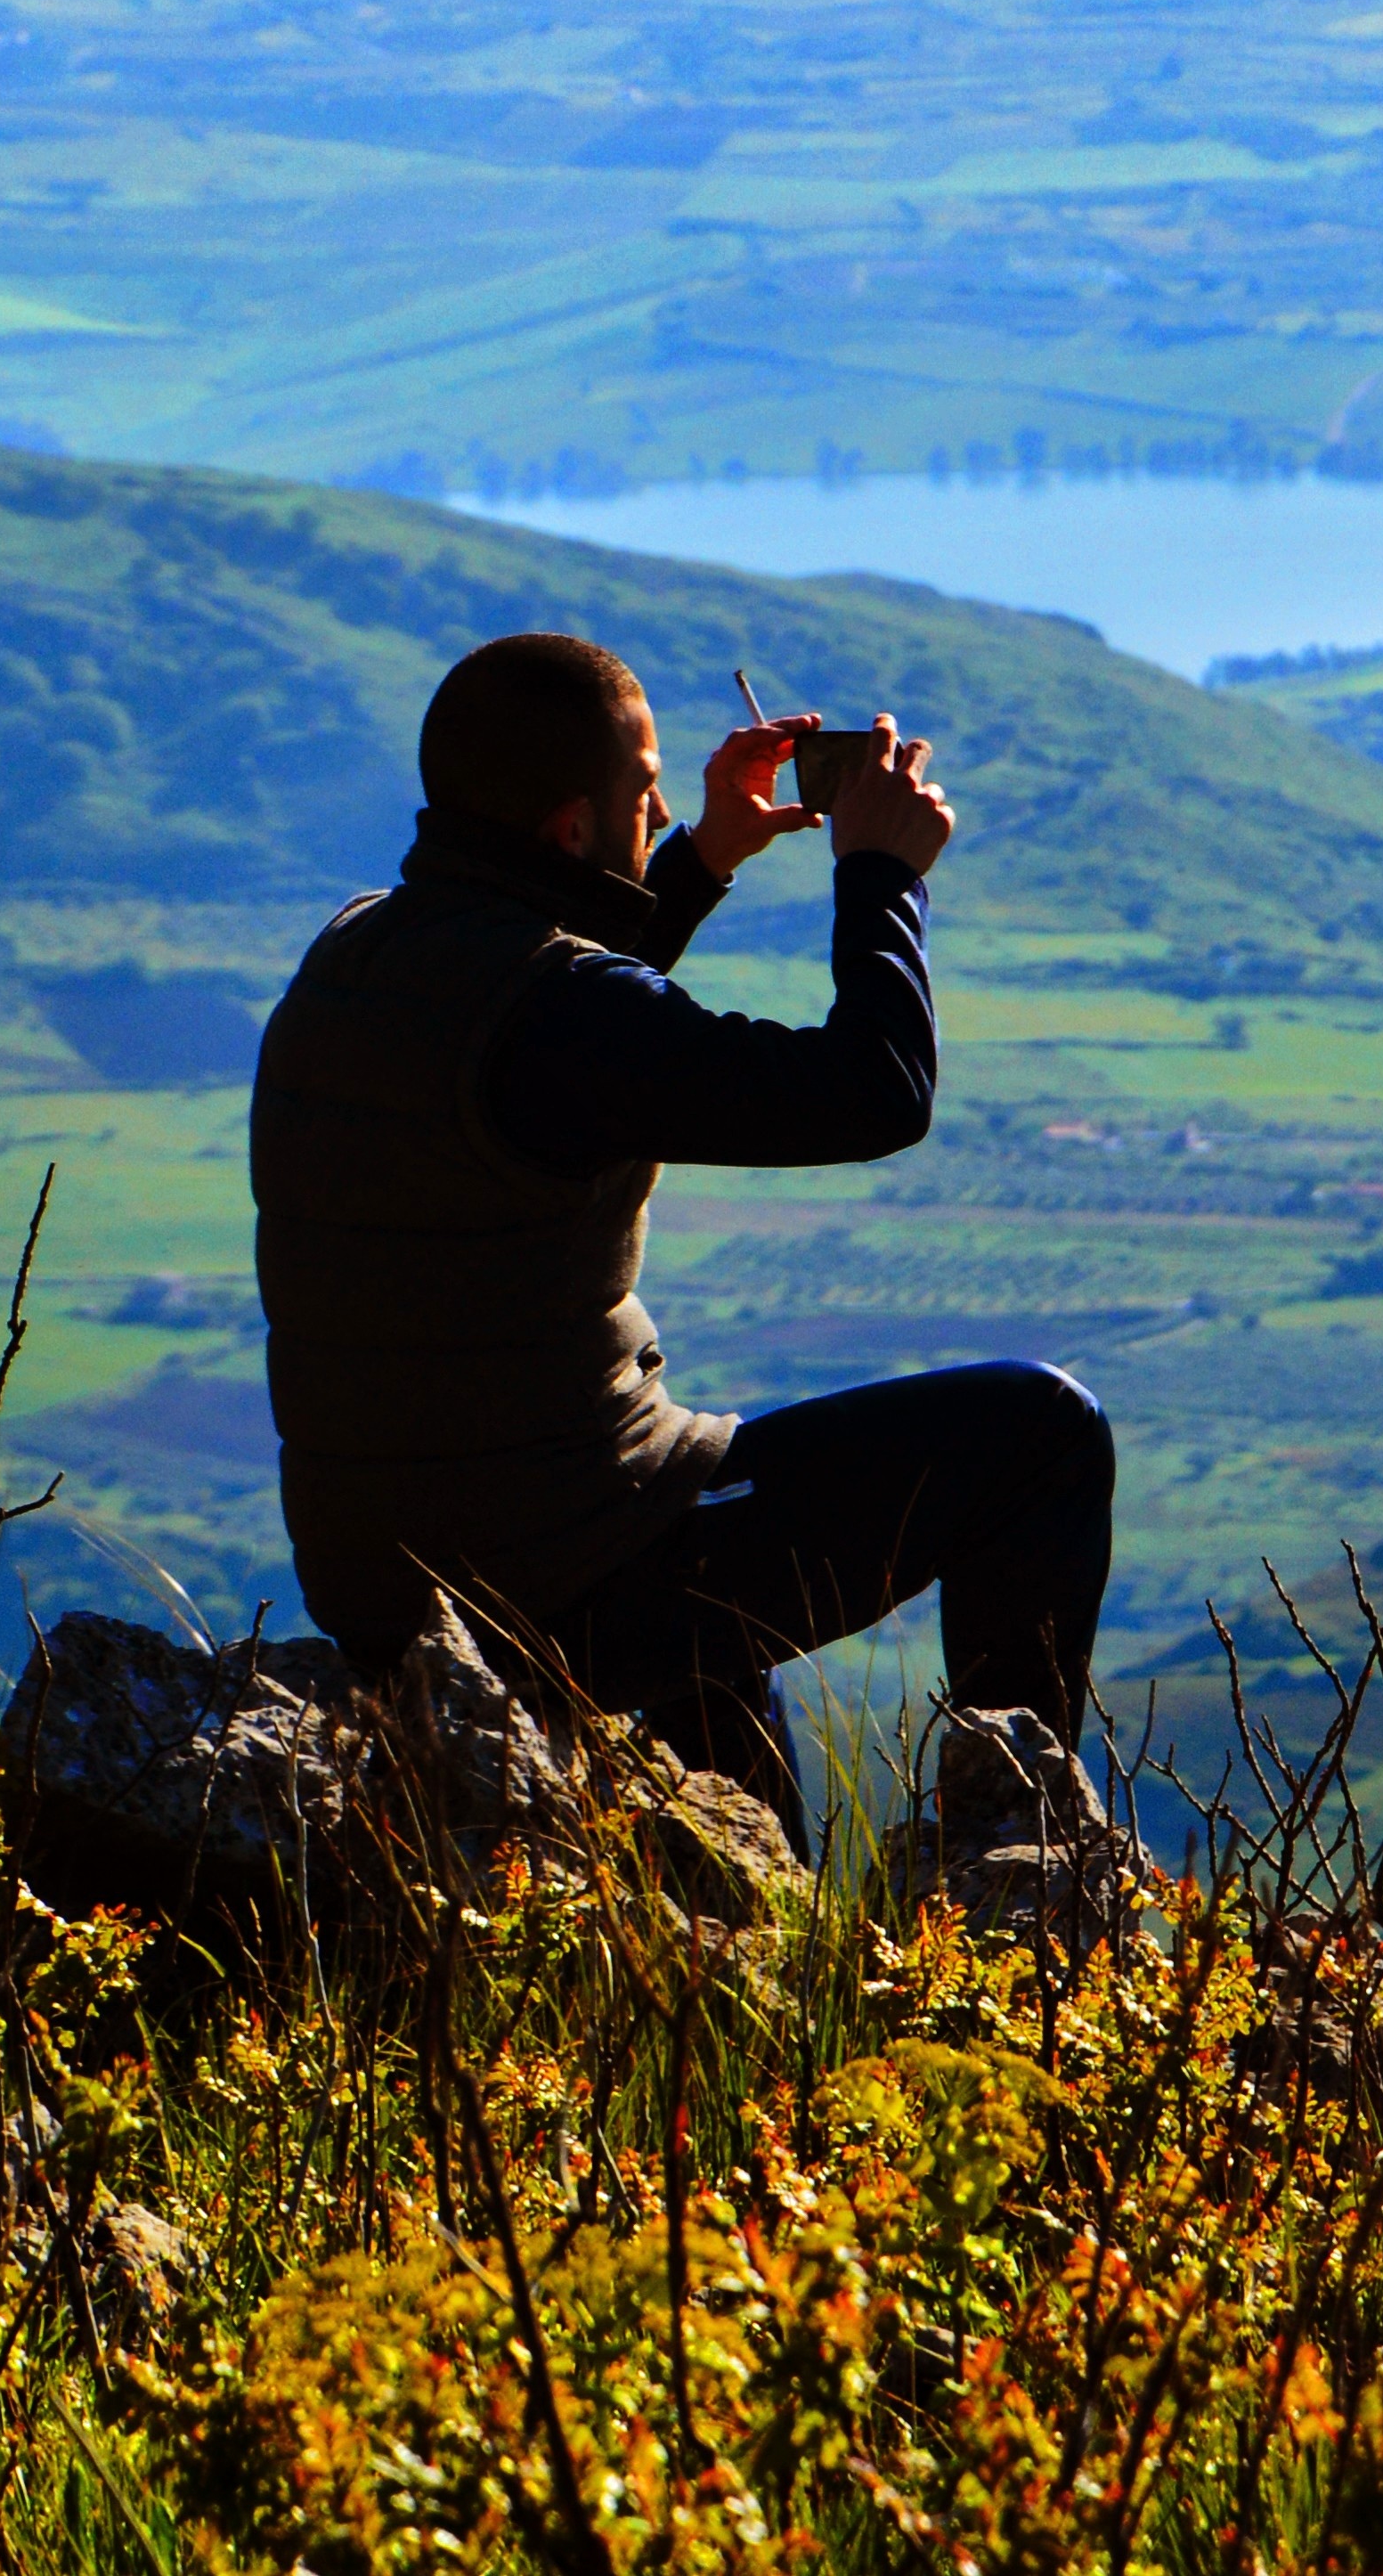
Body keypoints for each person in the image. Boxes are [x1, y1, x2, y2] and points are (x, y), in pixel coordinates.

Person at [249, 624, 1114, 1852]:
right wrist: (881, 878)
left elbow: (557, 1035)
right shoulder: (558, 1012)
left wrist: (704, 855)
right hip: (562, 1575)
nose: (659, 814)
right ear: (570, 829)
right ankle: (1008, 1878)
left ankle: (765, 1961)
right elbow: (873, 1093)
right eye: (645, 796)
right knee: (1043, 1437)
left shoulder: (360, 953)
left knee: (719, 1673)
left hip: (391, 1579)